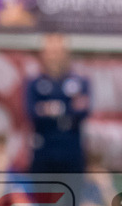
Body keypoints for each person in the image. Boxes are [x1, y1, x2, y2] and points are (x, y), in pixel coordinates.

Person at [25, 33, 91, 175]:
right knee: (42, 195)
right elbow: (32, 111)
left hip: (71, 151)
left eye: (58, 51)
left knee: (72, 194)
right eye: (50, 52)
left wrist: (50, 109)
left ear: (66, 53)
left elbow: (82, 111)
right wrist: (65, 109)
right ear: (43, 55)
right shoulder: (34, 83)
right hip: (44, 152)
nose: (54, 57)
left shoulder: (80, 82)